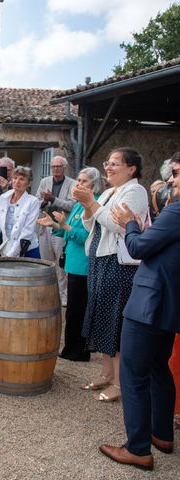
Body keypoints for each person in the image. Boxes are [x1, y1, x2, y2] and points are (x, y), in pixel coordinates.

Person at [98, 155, 180, 471]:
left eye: (176, 175)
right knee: (159, 366)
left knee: (133, 373)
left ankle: (138, 448)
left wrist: (130, 224)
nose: (172, 181)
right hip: (169, 304)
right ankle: (161, 434)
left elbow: (140, 248)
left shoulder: (176, 211)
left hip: (149, 301)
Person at [73, 147, 149, 403]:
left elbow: (119, 225)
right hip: (98, 260)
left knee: (114, 321)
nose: (109, 167)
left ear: (132, 169)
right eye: (108, 162)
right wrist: (87, 205)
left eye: (116, 163)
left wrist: (92, 204)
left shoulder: (135, 191)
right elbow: (92, 223)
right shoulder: (107, 192)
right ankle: (106, 372)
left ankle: (119, 383)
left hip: (119, 265)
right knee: (100, 316)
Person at [37, 167, 103, 361]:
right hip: (73, 262)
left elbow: (87, 237)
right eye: (78, 181)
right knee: (73, 309)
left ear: (93, 184)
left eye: (83, 181)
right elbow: (68, 231)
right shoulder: (78, 204)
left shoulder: (93, 204)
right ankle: (70, 347)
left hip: (83, 264)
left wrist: (64, 226)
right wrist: (55, 225)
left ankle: (79, 350)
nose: (78, 184)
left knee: (78, 310)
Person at [36, 156, 75, 305]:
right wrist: (45, 201)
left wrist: (53, 199)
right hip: (45, 226)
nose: (56, 169)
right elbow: (37, 202)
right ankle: (48, 294)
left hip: (60, 227)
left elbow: (72, 206)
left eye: (59, 166)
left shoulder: (72, 183)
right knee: (46, 262)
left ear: (64, 168)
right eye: (53, 167)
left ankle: (63, 295)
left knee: (60, 263)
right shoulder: (44, 182)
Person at [0, 166, 40, 259]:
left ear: (29, 183)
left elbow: (27, 232)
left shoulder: (33, 201)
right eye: (15, 178)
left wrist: (10, 255)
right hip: (7, 250)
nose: (17, 182)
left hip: (27, 251)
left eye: (22, 179)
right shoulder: (3, 197)